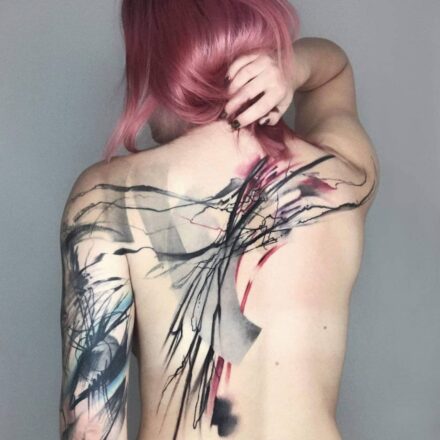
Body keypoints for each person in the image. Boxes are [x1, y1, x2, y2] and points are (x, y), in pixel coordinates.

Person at [58, 0, 379, 439]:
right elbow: (334, 71)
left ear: (158, 60)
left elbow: (91, 428)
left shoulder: (109, 199)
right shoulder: (342, 177)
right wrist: (291, 67)